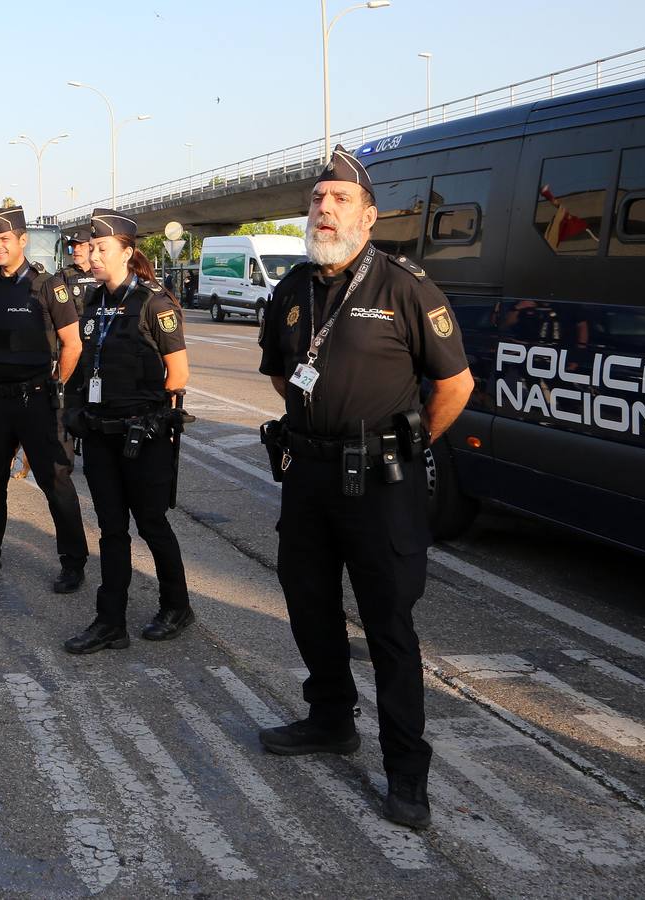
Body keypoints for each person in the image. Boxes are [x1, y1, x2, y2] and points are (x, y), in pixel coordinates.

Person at [257, 145, 474, 830]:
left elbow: (456, 385)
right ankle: (329, 719)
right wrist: (312, 423)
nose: (325, 208)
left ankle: (406, 770)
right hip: (309, 478)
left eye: (340, 199)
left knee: (388, 628)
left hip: (381, 482)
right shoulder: (291, 289)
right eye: (318, 199)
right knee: (309, 605)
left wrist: (403, 443)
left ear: (369, 216)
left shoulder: (405, 288)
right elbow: (279, 374)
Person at [61, 209, 193, 654]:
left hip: (143, 438)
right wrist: (74, 409)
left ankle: (176, 605)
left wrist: (149, 415)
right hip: (100, 435)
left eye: (102, 249)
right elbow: (84, 367)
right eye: (91, 248)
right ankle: (109, 621)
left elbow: (178, 375)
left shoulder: (154, 304)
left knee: (152, 524)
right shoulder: (94, 302)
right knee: (111, 531)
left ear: (127, 252)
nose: (92, 255)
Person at [0, 205, 89, 592]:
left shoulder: (48, 286)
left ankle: (73, 561)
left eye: (4, 240)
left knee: (55, 481)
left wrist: (54, 387)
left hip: (37, 400)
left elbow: (72, 344)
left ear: (22, 241)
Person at [59, 225, 99, 316]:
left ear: (91, 248)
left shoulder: (102, 272)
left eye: (81, 245)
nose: (76, 250)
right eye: (73, 246)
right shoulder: (63, 275)